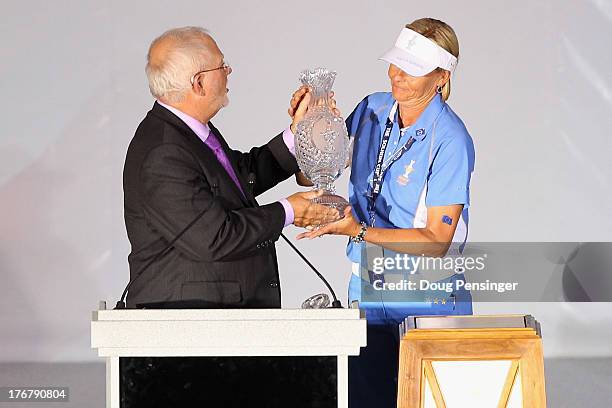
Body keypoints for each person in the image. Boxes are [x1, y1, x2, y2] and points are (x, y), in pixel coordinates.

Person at [290, 18, 475, 408]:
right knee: (364, 399)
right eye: (395, 63)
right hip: (368, 288)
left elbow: (437, 241)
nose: (396, 74)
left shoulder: (450, 139)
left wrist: (358, 232)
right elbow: (313, 173)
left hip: (428, 295)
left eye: (412, 69)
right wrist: (307, 127)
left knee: (431, 399)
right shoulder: (372, 109)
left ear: (441, 76)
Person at [123, 27, 338, 309]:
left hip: (218, 321)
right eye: (222, 65)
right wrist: (290, 211)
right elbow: (214, 237)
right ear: (198, 83)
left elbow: (239, 178)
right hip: (190, 326)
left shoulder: (187, 133)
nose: (229, 70)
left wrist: (299, 134)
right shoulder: (164, 152)